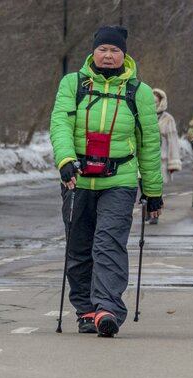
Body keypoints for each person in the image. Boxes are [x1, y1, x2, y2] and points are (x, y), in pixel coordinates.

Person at [50, 25, 163, 338]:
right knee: (79, 246)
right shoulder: (73, 84)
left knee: (109, 244)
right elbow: (60, 124)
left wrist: (153, 191)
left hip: (120, 180)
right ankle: (86, 310)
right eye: (104, 49)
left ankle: (107, 309)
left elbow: (149, 144)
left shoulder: (139, 92)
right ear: (94, 51)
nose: (109, 55)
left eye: (115, 50)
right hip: (77, 180)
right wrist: (65, 161)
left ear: (124, 54)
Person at [151, 88, 182, 224]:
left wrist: (173, 162)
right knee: (143, 185)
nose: (154, 104)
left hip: (161, 159)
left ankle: (154, 212)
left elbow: (173, 141)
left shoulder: (168, 119)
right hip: (144, 157)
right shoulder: (143, 115)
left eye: (156, 101)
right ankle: (148, 209)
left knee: (156, 187)